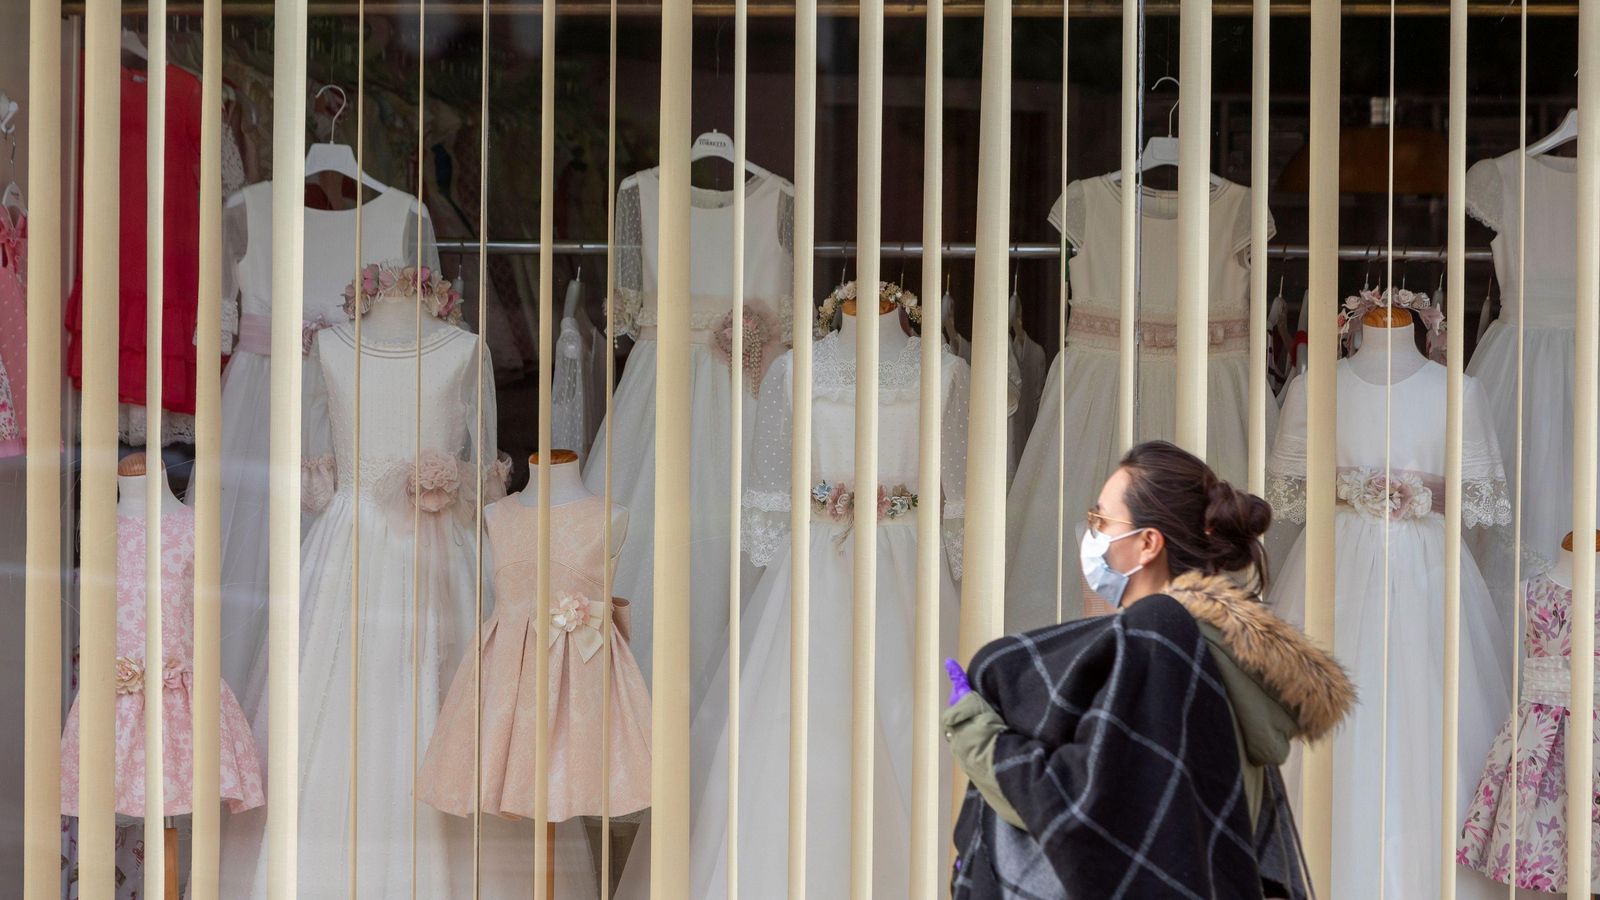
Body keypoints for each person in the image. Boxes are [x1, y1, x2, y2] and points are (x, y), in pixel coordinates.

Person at [943, 440, 1355, 899]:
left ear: (1147, 543)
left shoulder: (1158, 639)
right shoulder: (1221, 647)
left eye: (1101, 520)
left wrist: (976, 732)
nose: (1091, 532)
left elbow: (1082, 810)